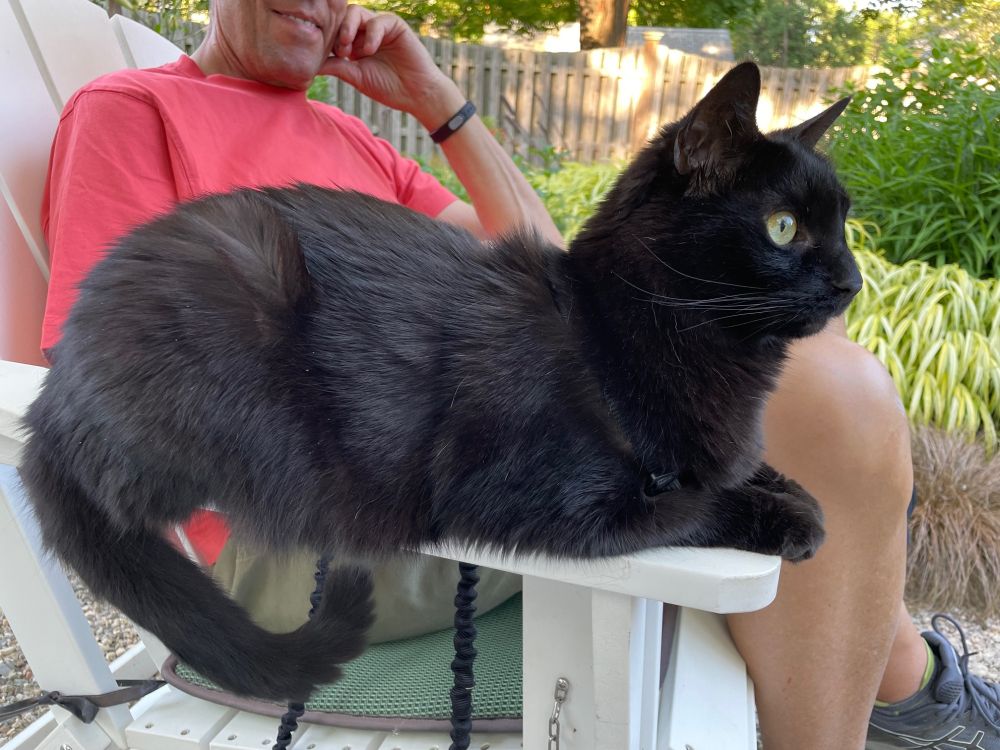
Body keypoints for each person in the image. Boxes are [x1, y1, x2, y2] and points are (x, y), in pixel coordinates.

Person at [38, 2, 1000, 747]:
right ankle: (911, 691)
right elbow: (84, 369)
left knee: (789, 399)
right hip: (317, 513)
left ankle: (903, 684)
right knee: (823, 399)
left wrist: (438, 104)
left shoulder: (354, 140)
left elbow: (559, 281)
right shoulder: (134, 110)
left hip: (485, 431)